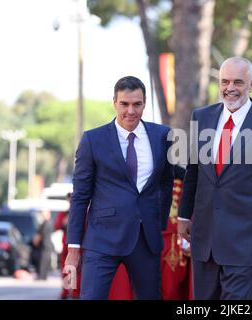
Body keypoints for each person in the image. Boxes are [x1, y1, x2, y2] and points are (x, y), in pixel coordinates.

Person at [177, 57, 252, 300]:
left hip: (246, 240)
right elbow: (193, 171)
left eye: (238, 82)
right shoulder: (202, 117)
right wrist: (184, 216)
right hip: (204, 238)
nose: (230, 87)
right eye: (225, 81)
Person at [64, 76, 174, 299]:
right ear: (114, 102)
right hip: (101, 239)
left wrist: (158, 221)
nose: (131, 111)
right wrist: (73, 248)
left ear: (145, 103)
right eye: (125, 104)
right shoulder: (93, 140)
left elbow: (166, 182)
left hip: (146, 239)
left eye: (137, 104)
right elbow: (80, 197)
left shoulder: (162, 136)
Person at [55, 193, 80, 299]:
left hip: (77, 245)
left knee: (77, 269)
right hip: (66, 244)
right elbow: (57, 225)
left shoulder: (80, 212)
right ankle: (66, 291)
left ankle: (75, 292)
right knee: (67, 268)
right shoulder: (64, 213)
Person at [33, 209, 54, 280]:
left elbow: (41, 234)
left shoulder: (46, 223)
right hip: (47, 244)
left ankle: (41, 276)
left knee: (43, 261)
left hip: (45, 244)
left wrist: (36, 241)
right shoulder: (50, 222)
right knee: (45, 261)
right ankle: (43, 276)